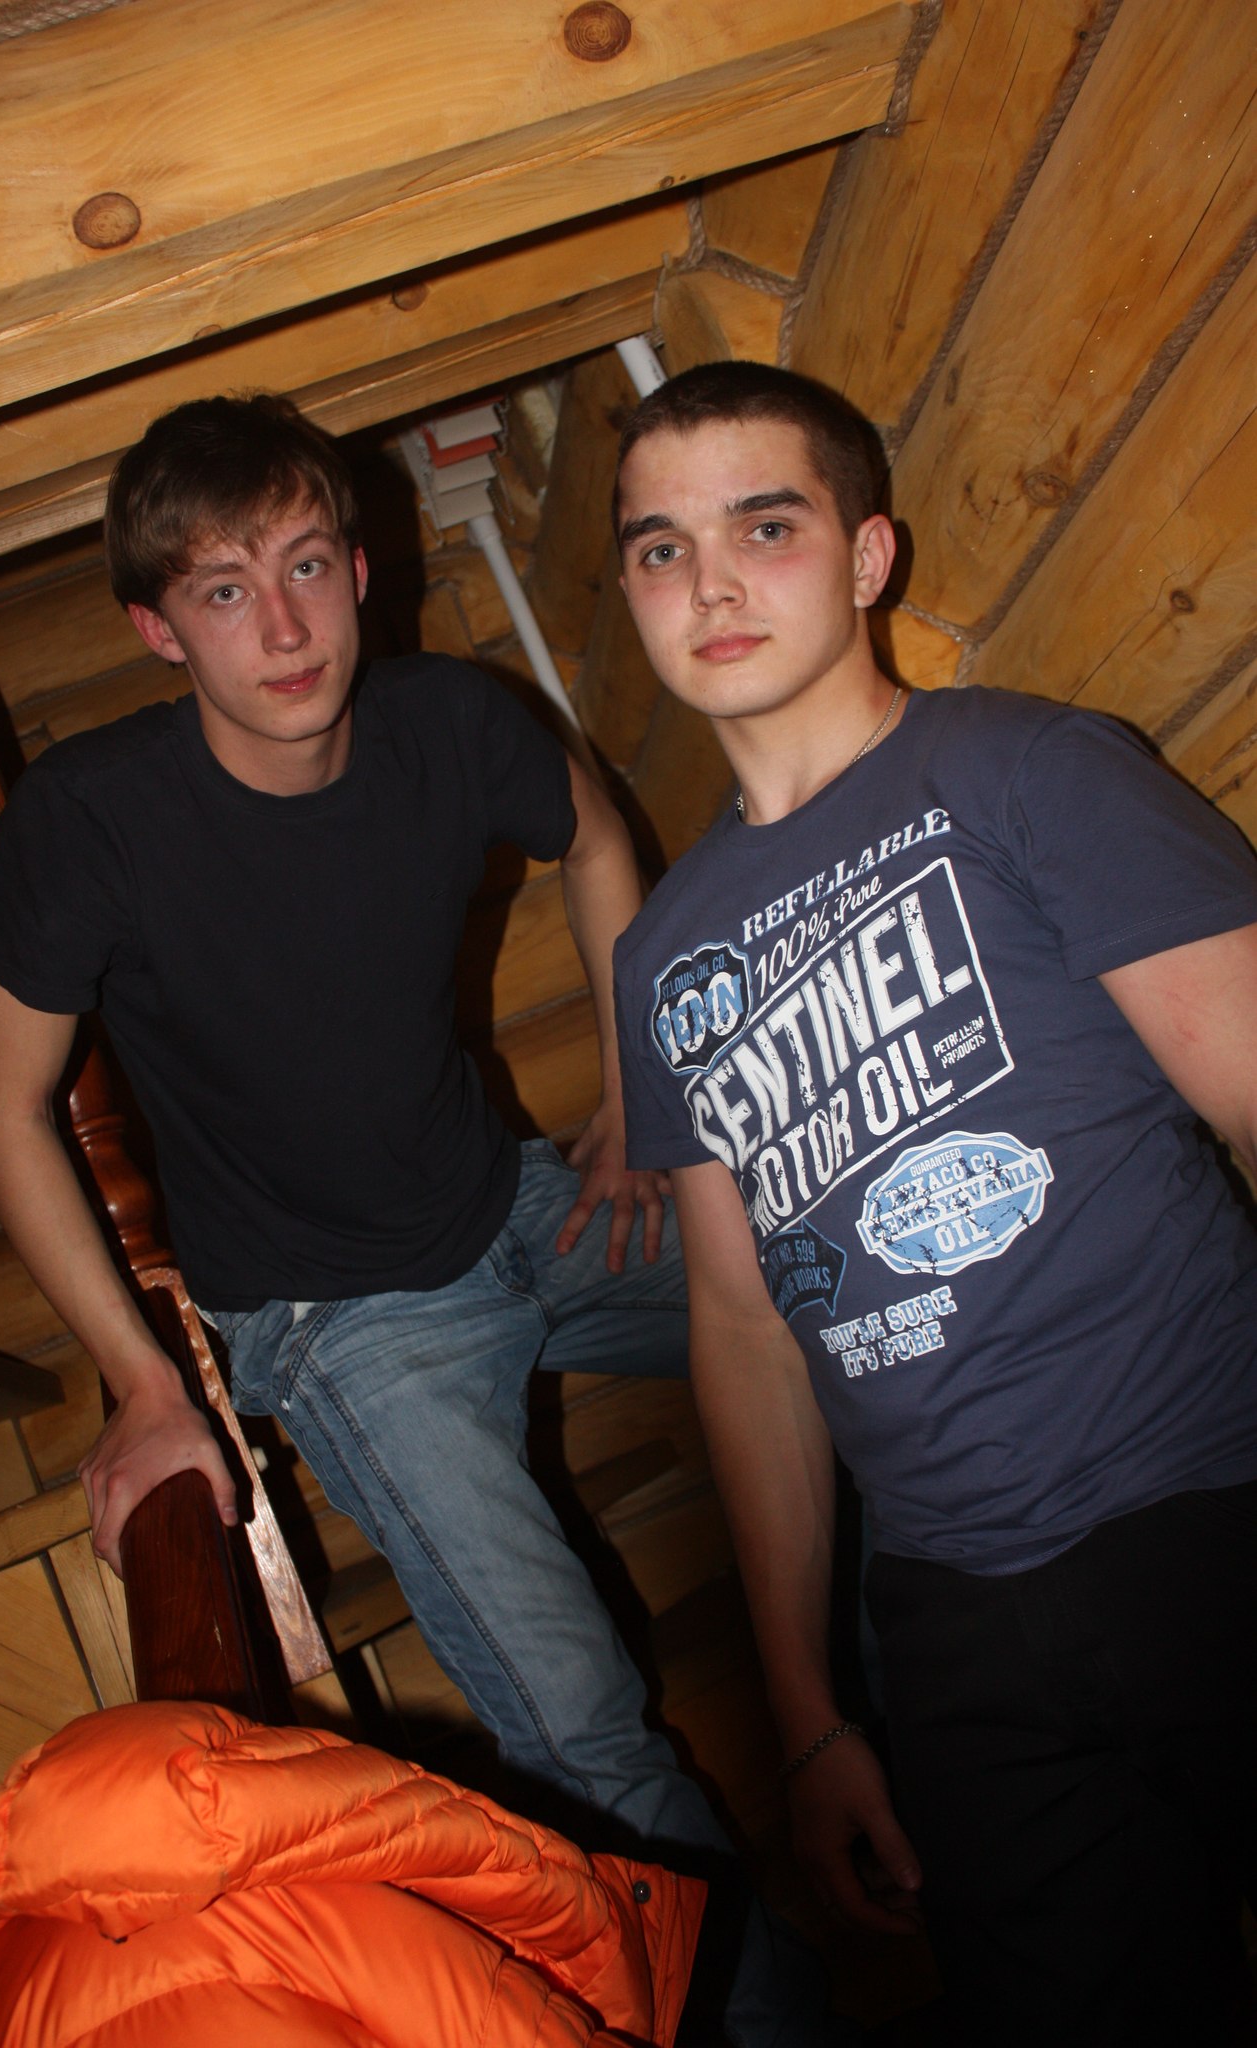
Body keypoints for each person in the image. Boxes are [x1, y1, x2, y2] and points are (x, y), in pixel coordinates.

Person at [0, 392, 834, 2048]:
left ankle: (902, 1768)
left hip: (521, 1206)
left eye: (306, 567)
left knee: (853, 1320)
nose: (283, 627)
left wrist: (640, 1103)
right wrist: (147, 1382)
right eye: (225, 593)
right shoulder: (92, 823)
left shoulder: (449, 720)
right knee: (588, 1738)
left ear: (360, 571)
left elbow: (594, 840)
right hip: (344, 1326)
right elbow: (0, 1110)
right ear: (158, 630)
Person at [610, 360, 1257, 2044]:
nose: (712, 585)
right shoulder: (661, 955)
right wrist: (809, 1713)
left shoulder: (1029, 768)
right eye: (662, 549)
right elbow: (741, 1330)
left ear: (866, 556)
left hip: (1205, 1503)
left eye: (764, 527)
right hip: (950, 1629)